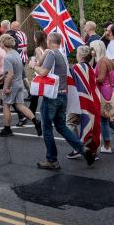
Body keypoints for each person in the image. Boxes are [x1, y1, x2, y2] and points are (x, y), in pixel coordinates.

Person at [35, 32, 95, 170]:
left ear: (49, 40)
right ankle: (82, 149)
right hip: (63, 95)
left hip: (52, 96)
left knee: (47, 128)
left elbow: (43, 71)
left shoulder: (52, 54)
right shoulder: (62, 54)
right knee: (61, 126)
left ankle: (52, 160)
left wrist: (33, 67)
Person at [0, 34, 40, 136]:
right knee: (20, 105)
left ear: (3, 43)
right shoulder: (16, 53)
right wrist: (2, 77)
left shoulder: (7, 57)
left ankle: (7, 129)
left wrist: (6, 88)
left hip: (12, 85)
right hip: (19, 83)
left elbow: (10, 74)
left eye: (0, 42)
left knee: (6, 105)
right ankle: (36, 122)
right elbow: (13, 70)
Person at [28, 31, 48, 117]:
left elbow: (40, 61)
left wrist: (33, 63)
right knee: (45, 95)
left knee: (34, 96)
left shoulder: (38, 49)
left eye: (34, 36)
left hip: (39, 74)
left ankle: (31, 114)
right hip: (46, 73)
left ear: (37, 38)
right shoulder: (48, 47)